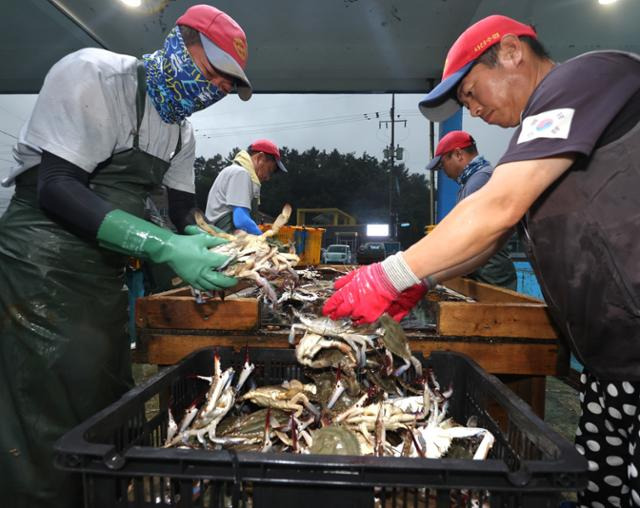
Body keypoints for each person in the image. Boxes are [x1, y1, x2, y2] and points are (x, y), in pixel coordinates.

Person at [323, 14, 640, 506]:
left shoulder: (586, 78)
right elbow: (492, 236)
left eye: (471, 93)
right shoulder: (537, 139)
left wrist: (391, 273)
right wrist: (423, 281)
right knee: (605, 490)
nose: (472, 111)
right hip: (615, 361)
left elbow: (496, 209)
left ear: (511, 51)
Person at [0, 4, 251, 507]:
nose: (216, 89)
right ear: (181, 43)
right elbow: (56, 188)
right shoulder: (94, 75)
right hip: (40, 264)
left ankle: (95, 495)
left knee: (107, 392)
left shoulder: (180, 130)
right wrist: (164, 246)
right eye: (212, 72)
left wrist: (215, 243)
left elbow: (181, 210)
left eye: (226, 84)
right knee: (44, 399)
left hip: (104, 270)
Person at [426, 129, 516, 290]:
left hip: (490, 275)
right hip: (480, 271)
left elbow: (469, 236)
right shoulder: (472, 180)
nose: (443, 171)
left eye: (443, 164)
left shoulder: (480, 180)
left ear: (459, 154)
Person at [205, 139, 287, 234]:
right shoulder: (240, 173)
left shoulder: (233, 171)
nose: (267, 178)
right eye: (269, 170)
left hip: (218, 233)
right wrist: (263, 238)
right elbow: (241, 220)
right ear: (260, 158)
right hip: (223, 237)